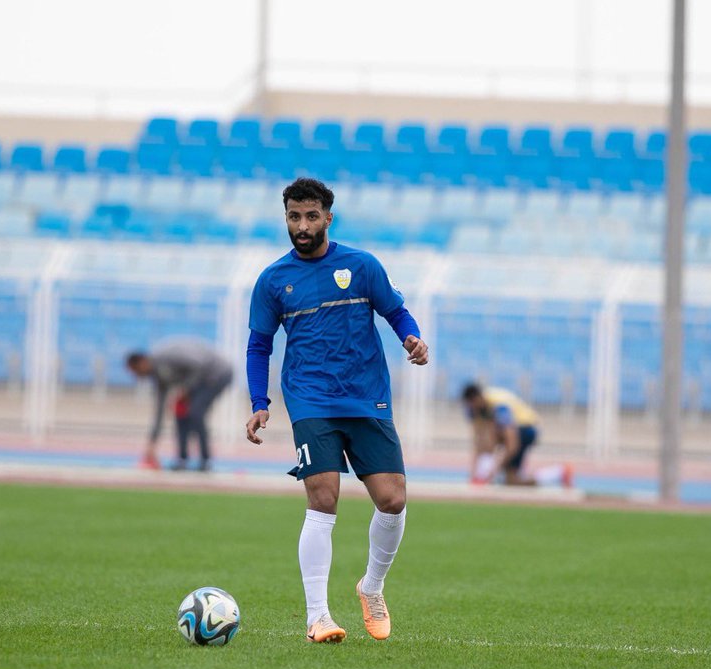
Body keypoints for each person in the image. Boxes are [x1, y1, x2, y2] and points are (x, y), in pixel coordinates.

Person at [244, 177, 428, 644]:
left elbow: (396, 312)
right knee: (323, 498)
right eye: (293, 216)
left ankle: (372, 586)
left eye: (310, 216)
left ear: (328, 217)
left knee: (393, 499)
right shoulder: (272, 281)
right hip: (310, 399)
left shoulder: (362, 266)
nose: (301, 226)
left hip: (366, 395)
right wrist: (260, 403)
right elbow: (259, 345)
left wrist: (411, 337)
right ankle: (318, 617)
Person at [126, 340, 234, 472]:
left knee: (196, 413)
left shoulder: (164, 358)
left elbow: (198, 364)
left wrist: (186, 389)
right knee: (180, 411)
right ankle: (182, 459)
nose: (137, 376)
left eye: (136, 371)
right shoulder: (158, 376)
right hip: (199, 378)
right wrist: (152, 443)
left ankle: (205, 461)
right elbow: (159, 412)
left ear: (142, 362)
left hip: (217, 372)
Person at [460, 382, 572, 487]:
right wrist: (474, 473)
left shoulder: (499, 406)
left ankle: (559, 472)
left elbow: (512, 444)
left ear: (477, 399)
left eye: (472, 405)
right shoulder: (474, 408)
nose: (471, 408)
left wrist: (494, 470)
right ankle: (483, 476)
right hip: (514, 430)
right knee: (509, 477)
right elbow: (477, 441)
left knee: (512, 480)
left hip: (526, 429)